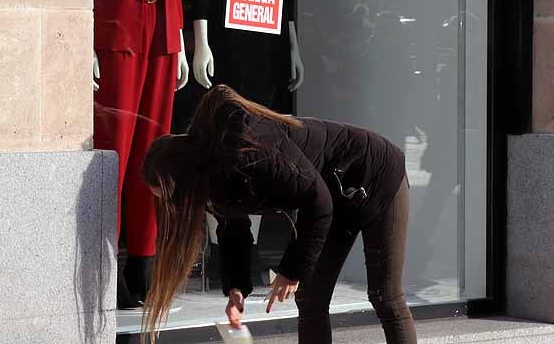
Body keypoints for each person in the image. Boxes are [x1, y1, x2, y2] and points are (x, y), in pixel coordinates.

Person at [140, 85, 417, 344]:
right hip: (333, 196)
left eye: (172, 197)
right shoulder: (213, 175)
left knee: (385, 296)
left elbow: (317, 203)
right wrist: (236, 289)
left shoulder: (247, 148)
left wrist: (290, 272)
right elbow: (233, 230)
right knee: (310, 298)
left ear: (185, 176)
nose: (174, 206)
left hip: (376, 173)